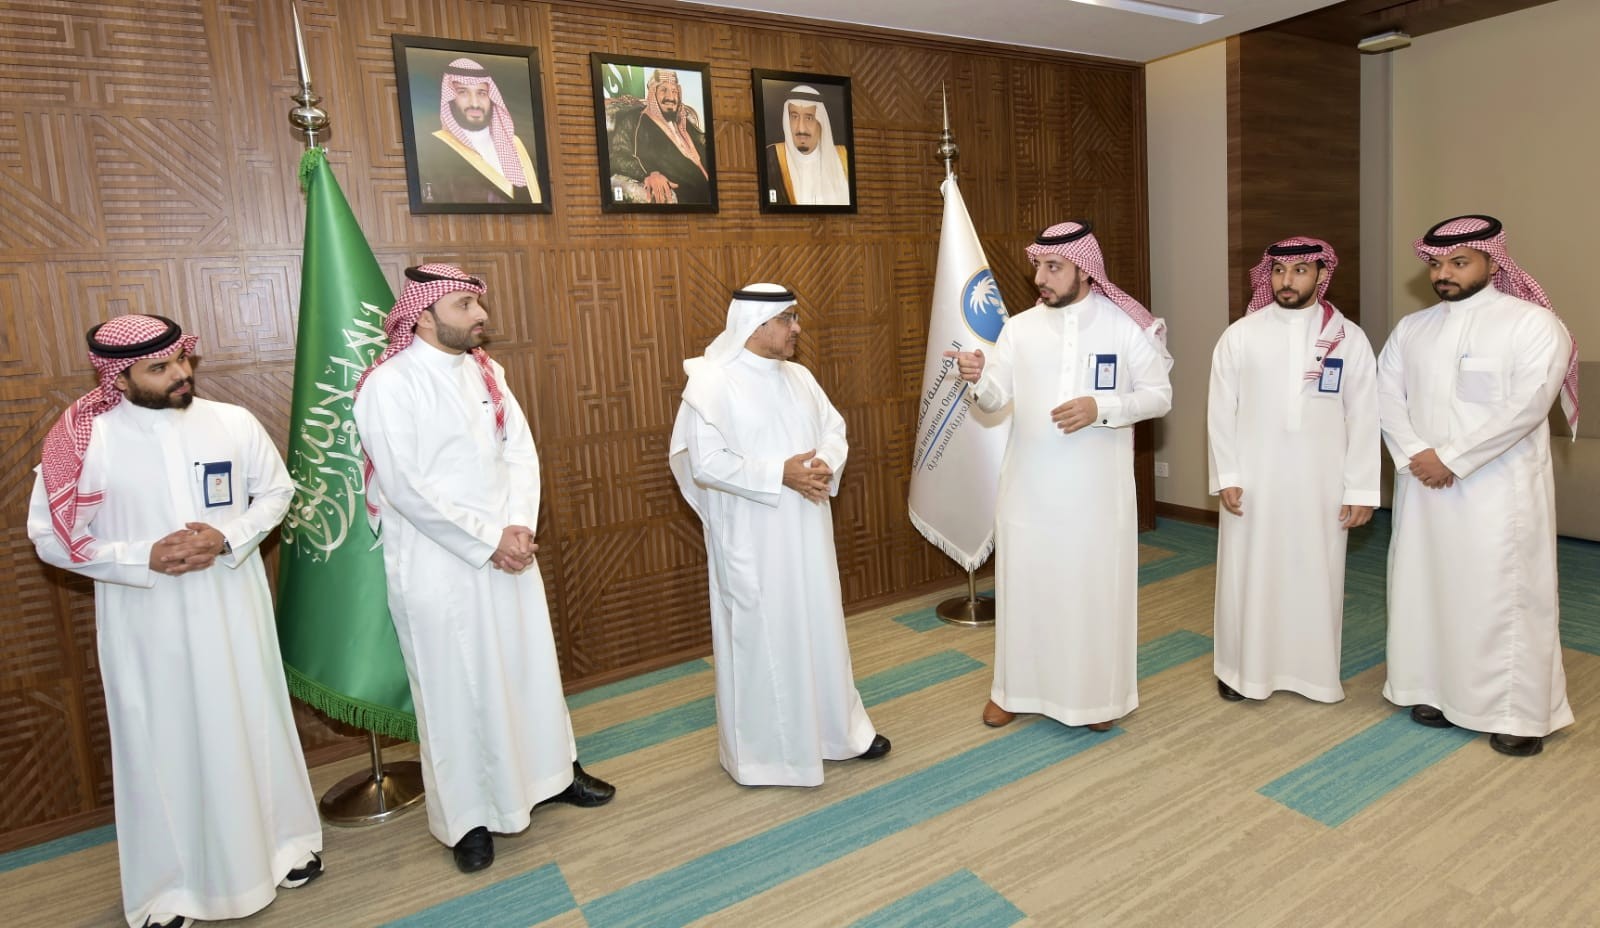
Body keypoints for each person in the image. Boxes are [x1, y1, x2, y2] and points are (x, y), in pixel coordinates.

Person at [27, 315, 322, 928]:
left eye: (182, 359)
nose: (181, 374)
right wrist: (143, 556)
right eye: (159, 368)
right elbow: (52, 538)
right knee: (162, 744)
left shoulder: (232, 422)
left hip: (233, 605)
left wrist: (227, 536)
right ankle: (170, 890)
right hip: (146, 620)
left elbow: (277, 493)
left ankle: (285, 847)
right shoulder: (86, 442)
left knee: (253, 721)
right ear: (118, 377)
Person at [352, 264, 614, 873]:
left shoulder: (486, 371)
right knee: (454, 689)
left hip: (509, 551)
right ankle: (466, 820)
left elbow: (520, 452)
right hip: (438, 562)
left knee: (528, 667)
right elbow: (406, 487)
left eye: (478, 303)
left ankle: (552, 775)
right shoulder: (387, 385)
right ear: (423, 315)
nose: (481, 316)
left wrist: (518, 525)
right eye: (465, 305)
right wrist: (487, 539)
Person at [945, 221, 1172, 731]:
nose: (1040, 279)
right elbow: (994, 399)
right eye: (1038, 267)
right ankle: (1012, 691)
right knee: (1027, 591)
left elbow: (1160, 396)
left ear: (1086, 271)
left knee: (1090, 594)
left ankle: (1095, 700)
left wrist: (1101, 408)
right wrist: (976, 378)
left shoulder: (1124, 328)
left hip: (1097, 496)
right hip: (1030, 492)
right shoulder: (1019, 329)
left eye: (1053, 268)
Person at [668, 283, 889, 786]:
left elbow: (834, 429)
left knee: (818, 624)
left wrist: (824, 463)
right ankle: (768, 755)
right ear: (756, 323)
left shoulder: (800, 377)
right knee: (763, 636)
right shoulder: (711, 382)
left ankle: (838, 733)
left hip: (808, 527)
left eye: (795, 317)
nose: (797, 328)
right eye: (788, 319)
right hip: (752, 535)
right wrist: (780, 474)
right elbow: (705, 463)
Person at [1378, 214, 1579, 757]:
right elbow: (1386, 395)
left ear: (1493, 261)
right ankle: (1435, 690)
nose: (1443, 273)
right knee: (1428, 587)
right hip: (1423, 485)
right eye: (1436, 263)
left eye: (1459, 262)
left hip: (1498, 491)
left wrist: (1452, 458)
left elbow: (1528, 405)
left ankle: (1519, 713)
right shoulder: (1412, 328)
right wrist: (1417, 455)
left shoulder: (1533, 324)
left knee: (1503, 598)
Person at [1207, 237, 1379, 704]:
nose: (1287, 280)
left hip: (1322, 482)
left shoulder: (1349, 338)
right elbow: (1220, 411)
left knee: (1315, 574)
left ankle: (1312, 674)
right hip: (1253, 481)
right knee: (1247, 574)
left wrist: (1361, 489)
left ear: (1322, 275)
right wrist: (1227, 475)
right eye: (1280, 270)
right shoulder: (1241, 334)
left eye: (1300, 270)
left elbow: (1365, 416)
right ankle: (1239, 670)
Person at [416, 57, 542, 206]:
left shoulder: (516, 144)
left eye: (481, 93)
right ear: (450, 98)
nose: (474, 103)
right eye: (463, 92)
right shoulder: (433, 149)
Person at [606, 69, 711, 205]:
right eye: (663, 90)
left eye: (674, 91)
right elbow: (617, 156)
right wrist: (650, 174)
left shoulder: (682, 121)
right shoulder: (634, 120)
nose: (670, 97)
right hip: (686, 198)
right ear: (653, 93)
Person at [762, 84, 850, 206]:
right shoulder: (770, 158)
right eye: (794, 117)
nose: (801, 128)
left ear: (820, 122)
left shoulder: (843, 157)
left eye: (809, 118)